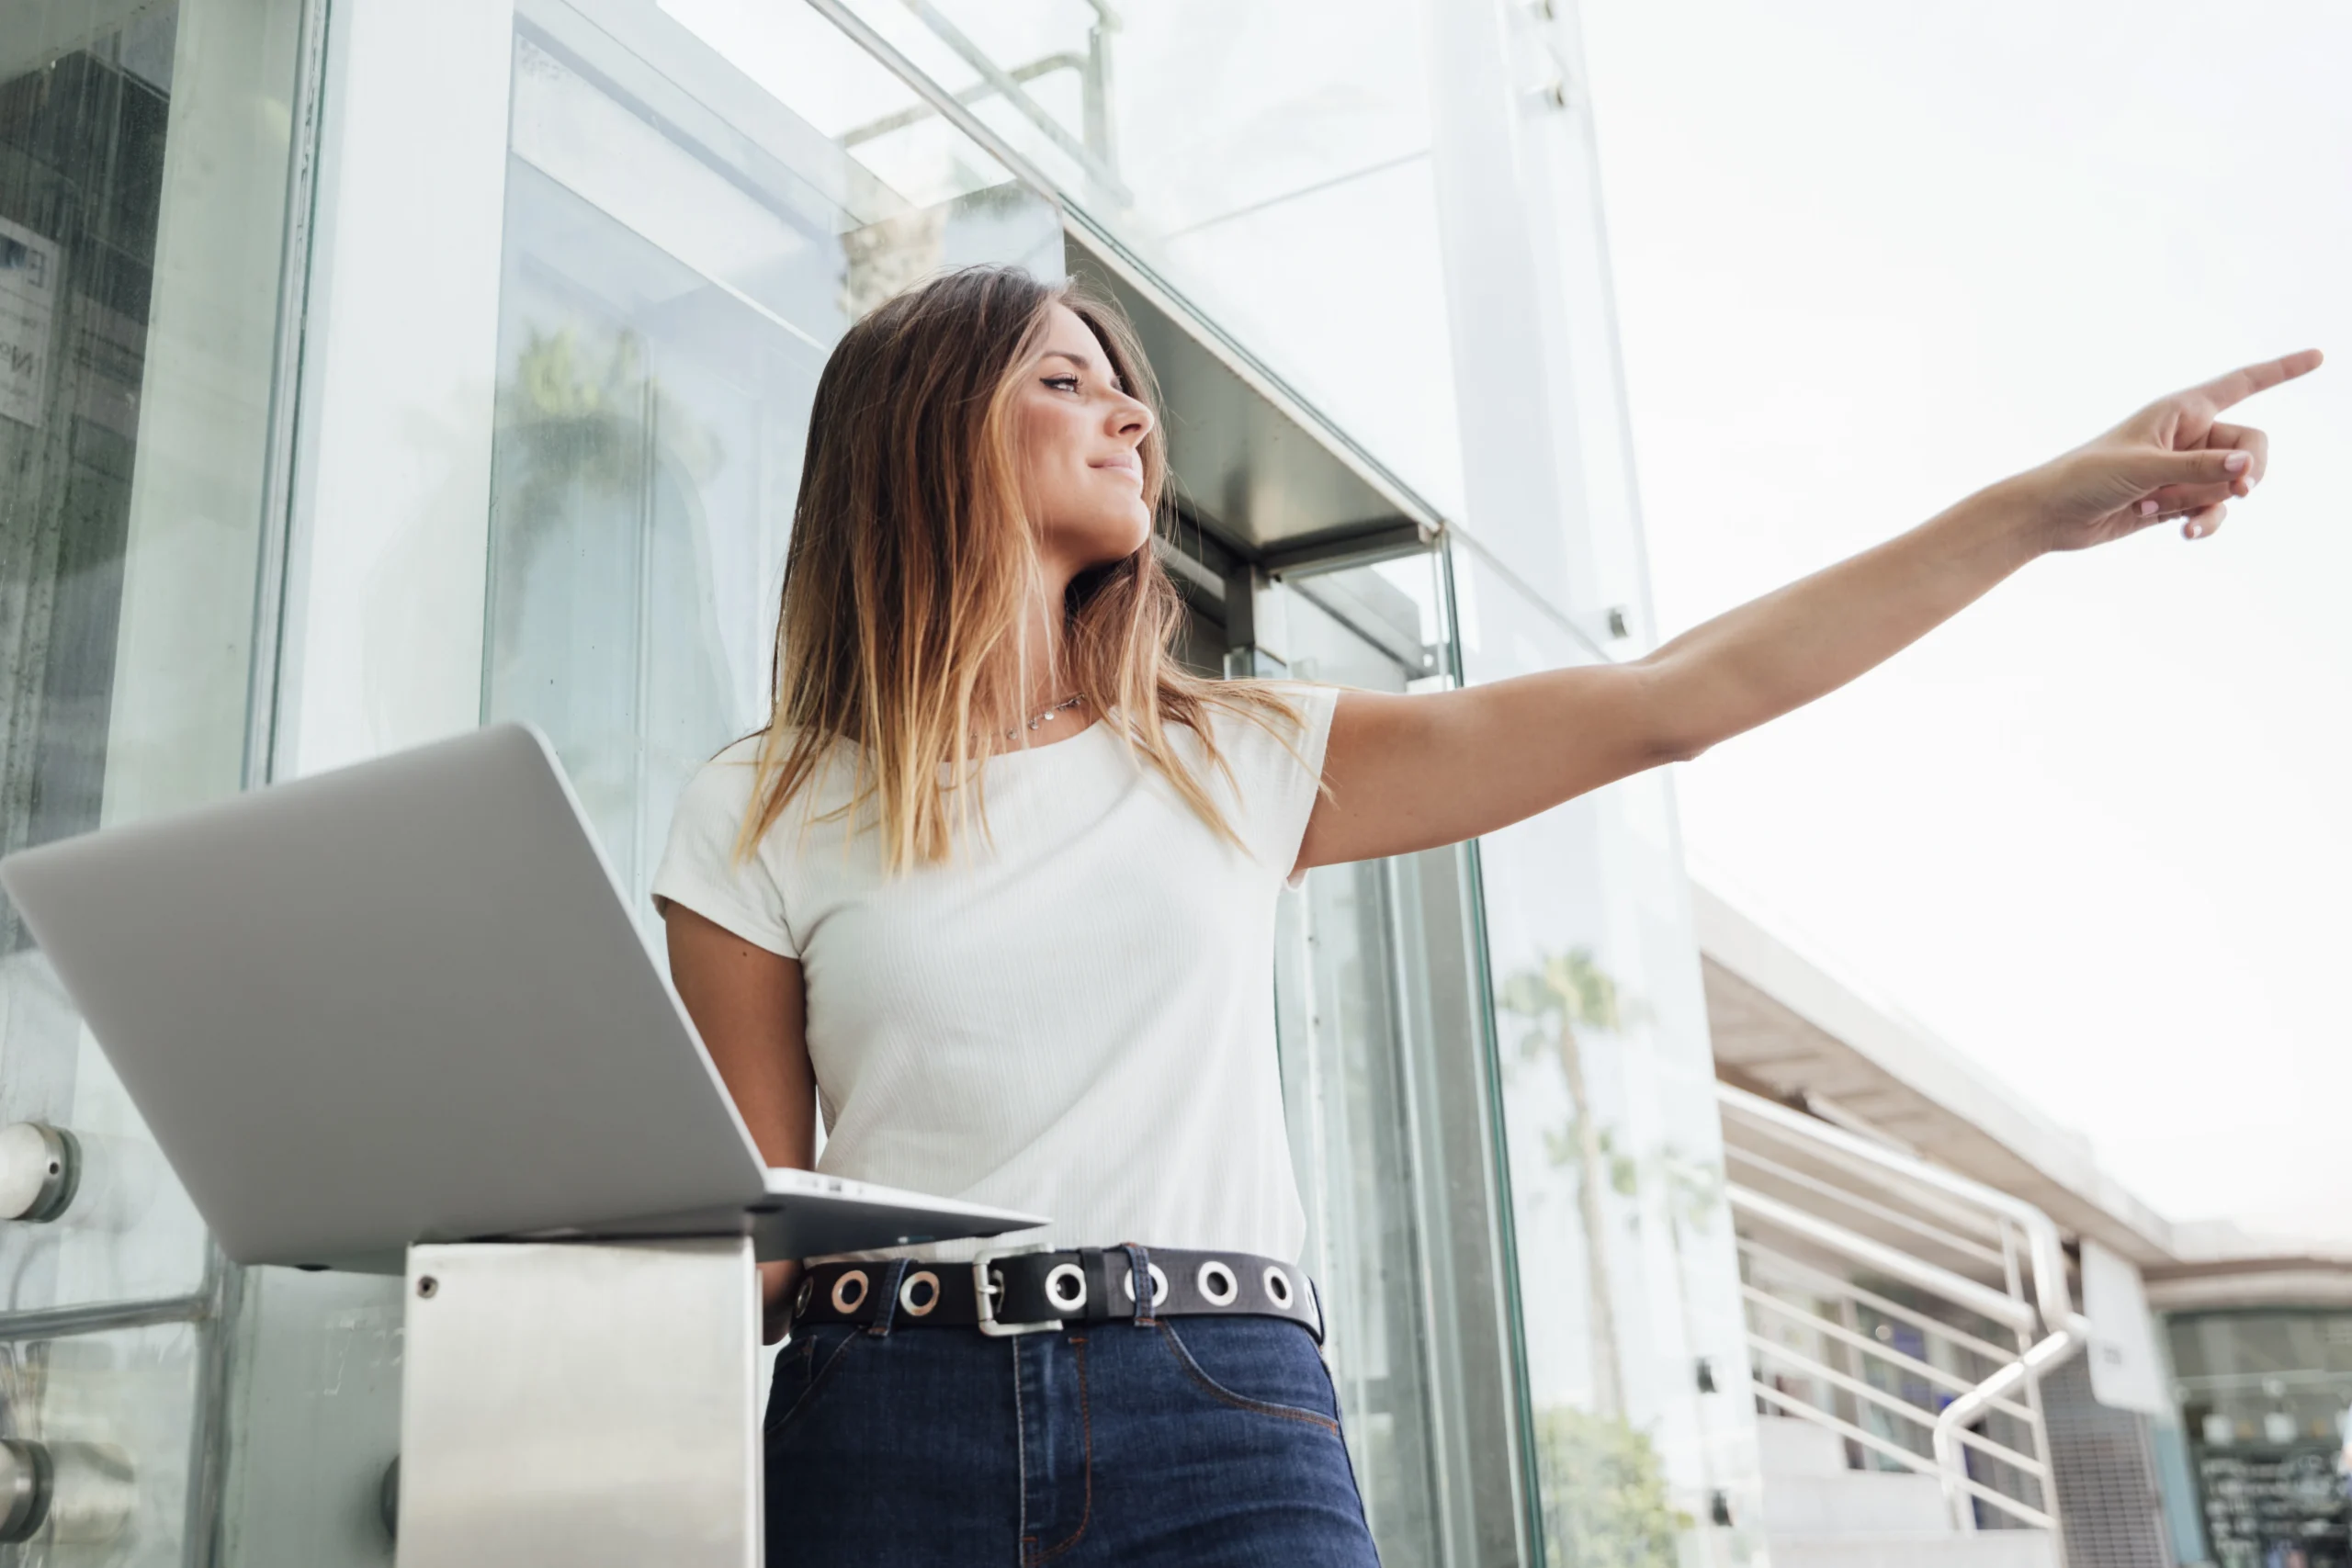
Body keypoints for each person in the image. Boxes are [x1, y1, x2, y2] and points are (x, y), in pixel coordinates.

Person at [651, 264, 2317, 1565]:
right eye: (1065, 381)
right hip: (882, 1421)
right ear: (930, 428)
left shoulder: (1234, 757)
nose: (1131, 421)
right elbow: (761, 1239)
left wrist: (2034, 509)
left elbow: (1674, 694)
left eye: (1129, 392)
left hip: (1216, 1404)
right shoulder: (766, 804)